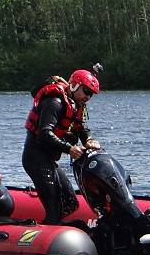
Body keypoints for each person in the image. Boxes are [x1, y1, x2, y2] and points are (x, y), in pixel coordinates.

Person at [22, 69, 102, 224]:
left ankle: (52, 226)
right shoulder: (54, 102)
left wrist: (89, 140)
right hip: (36, 158)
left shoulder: (77, 106)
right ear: (74, 85)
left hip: (50, 160)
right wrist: (69, 149)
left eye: (91, 94)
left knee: (71, 203)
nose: (88, 97)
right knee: (54, 208)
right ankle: (47, 232)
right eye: (86, 91)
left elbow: (81, 128)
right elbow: (45, 133)